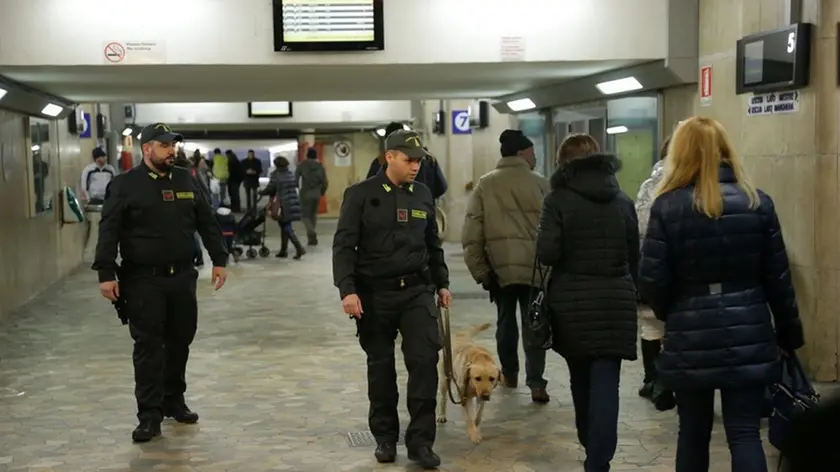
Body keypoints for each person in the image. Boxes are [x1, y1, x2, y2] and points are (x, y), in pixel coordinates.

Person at [638, 117, 804, 472]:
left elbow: (652, 279)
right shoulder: (757, 202)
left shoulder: (667, 207)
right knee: (744, 433)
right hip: (750, 328)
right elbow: (778, 278)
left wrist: (673, 314)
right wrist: (789, 334)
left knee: (692, 432)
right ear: (726, 150)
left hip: (689, 332)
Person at [92, 122, 229, 443]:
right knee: (149, 346)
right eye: (165, 145)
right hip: (143, 279)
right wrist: (105, 272)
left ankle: (173, 400)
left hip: (182, 277)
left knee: (181, 339)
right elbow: (109, 230)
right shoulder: (126, 184)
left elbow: (206, 221)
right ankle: (149, 415)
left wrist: (219, 258)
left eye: (174, 146)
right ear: (147, 149)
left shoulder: (185, 178)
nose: (172, 151)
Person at [332, 129, 451, 469]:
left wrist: (442, 283)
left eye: (419, 161)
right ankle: (385, 439)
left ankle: (421, 443)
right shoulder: (360, 195)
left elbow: (433, 244)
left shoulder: (423, 194)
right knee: (381, 368)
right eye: (409, 160)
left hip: (417, 292)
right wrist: (347, 289)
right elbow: (343, 246)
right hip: (374, 294)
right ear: (390, 157)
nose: (415, 166)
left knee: (424, 363)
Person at [536, 133, 639, 472]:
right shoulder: (622, 199)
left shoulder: (557, 201)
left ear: (564, 164)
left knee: (581, 379)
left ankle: (589, 442)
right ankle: (599, 459)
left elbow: (547, 253)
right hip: (617, 300)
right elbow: (634, 254)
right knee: (608, 382)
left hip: (573, 302)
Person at [461, 129, 550, 402]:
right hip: (536, 269)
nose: (535, 156)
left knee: (505, 322)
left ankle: (509, 375)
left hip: (499, 270)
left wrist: (481, 271)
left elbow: (471, 233)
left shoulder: (486, 184)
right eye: (532, 152)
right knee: (534, 323)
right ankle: (536, 383)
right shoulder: (541, 184)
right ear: (522, 153)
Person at [634, 135, 672, 406]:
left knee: (650, 324)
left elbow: (639, 226)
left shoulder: (650, 185)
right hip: (683, 271)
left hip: (651, 263)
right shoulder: (698, 184)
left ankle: (653, 379)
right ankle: (670, 380)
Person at [366, 122, 448, 199]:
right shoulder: (429, 159)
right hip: (423, 209)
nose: (415, 167)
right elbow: (441, 188)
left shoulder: (380, 162)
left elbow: (370, 189)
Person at [261, 156, 305, 259]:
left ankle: (299, 247)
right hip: (291, 202)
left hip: (281, 204)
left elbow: (271, 188)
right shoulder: (290, 174)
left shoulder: (276, 175)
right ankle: (283, 250)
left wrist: (261, 192)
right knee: (284, 225)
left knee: (286, 226)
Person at [295, 147, 328, 246]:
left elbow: (295, 179)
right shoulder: (320, 166)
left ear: (307, 155)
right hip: (317, 193)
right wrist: (322, 192)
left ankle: (311, 232)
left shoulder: (302, 165)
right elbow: (325, 182)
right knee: (313, 215)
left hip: (305, 193)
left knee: (305, 216)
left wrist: (297, 187)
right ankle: (311, 240)